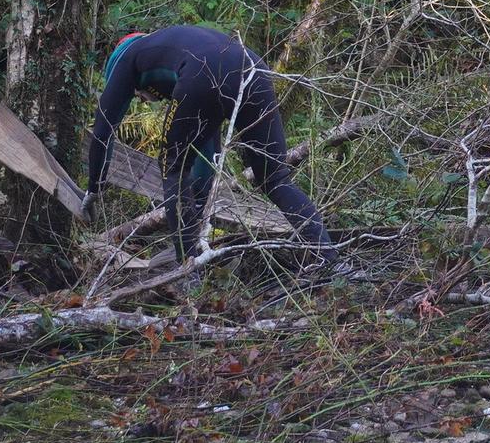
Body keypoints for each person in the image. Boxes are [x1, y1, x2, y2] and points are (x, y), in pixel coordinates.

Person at [83, 26, 330, 264]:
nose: (144, 101)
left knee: (173, 167)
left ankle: (186, 269)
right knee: (275, 178)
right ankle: (328, 257)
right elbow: (206, 148)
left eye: (139, 95)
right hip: (254, 69)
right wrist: (199, 203)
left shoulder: (125, 58)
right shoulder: (174, 44)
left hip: (204, 72)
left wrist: (94, 188)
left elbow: (103, 130)